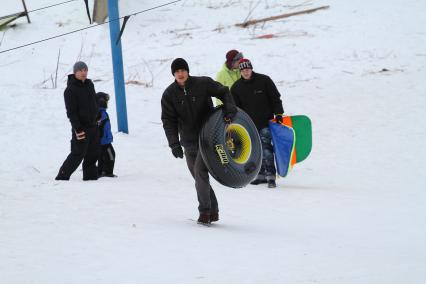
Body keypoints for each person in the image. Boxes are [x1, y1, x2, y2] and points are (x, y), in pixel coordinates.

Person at [161, 58, 237, 225]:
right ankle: (213, 210)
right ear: (174, 74)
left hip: (208, 137)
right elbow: (168, 120)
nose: (180, 74)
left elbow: (224, 92)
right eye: (177, 71)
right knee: (198, 176)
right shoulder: (169, 94)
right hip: (188, 142)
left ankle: (204, 212)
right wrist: (174, 143)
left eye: (183, 70)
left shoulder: (202, 83)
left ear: (188, 71)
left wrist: (229, 110)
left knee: (200, 172)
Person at [231, 58, 284, 188]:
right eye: (243, 70)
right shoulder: (236, 87)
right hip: (249, 126)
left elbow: (275, 98)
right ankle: (260, 175)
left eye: (247, 69)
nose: (246, 72)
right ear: (240, 71)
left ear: (251, 68)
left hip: (265, 122)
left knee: (266, 149)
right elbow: (235, 108)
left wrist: (278, 114)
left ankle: (271, 176)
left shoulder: (264, 80)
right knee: (255, 150)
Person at [55, 61, 100, 181]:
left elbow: (94, 101)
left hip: (93, 125)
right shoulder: (70, 90)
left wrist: (98, 116)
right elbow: (71, 113)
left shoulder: (90, 84)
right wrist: (78, 128)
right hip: (81, 127)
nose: (83, 72)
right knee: (78, 153)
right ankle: (62, 175)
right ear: (75, 72)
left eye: (85, 70)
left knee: (93, 152)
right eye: (80, 70)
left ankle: (90, 177)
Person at [96, 92, 117, 178]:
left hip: (103, 140)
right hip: (104, 141)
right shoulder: (100, 113)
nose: (107, 103)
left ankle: (100, 171)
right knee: (111, 155)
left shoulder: (101, 112)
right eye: (106, 101)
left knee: (102, 157)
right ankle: (107, 172)